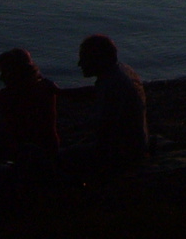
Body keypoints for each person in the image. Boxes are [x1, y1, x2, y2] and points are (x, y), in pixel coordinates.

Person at [62, 34, 148, 176]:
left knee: (61, 158)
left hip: (124, 153)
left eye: (84, 58)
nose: (79, 64)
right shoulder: (120, 72)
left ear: (99, 59)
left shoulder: (113, 85)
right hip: (134, 144)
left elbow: (106, 134)